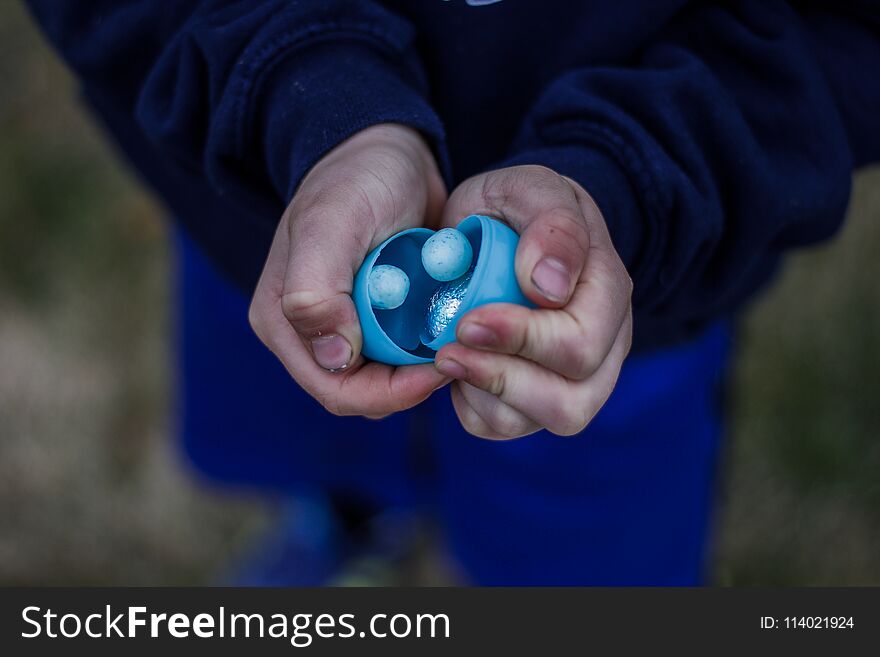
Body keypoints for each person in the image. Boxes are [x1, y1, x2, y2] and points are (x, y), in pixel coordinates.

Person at [25, 0, 879, 584]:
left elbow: (848, 38)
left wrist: (633, 173)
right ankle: (349, 518)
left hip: (615, 311)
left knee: (584, 556)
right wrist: (314, 102)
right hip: (276, 215)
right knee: (327, 410)